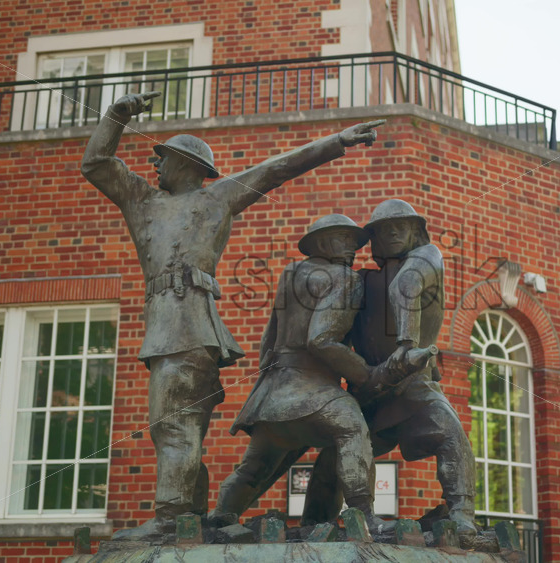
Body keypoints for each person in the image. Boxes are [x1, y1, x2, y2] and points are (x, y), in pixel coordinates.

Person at [81, 90, 383, 542]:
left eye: (163, 158)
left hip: (187, 326)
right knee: (180, 425)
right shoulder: (141, 199)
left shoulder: (217, 198)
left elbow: (277, 168)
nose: (154, 164)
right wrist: (116, 116)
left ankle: (172, 520)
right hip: (170, 326)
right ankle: (191, 517)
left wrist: (337, 141)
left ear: (189, 165)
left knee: (174, 424)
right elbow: (96, 164)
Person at [302, 199, 479, 534]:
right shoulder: (360, 281)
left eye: (402, 225)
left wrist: (406, 345)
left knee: (450, 433)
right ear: (374, 240)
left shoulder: (426, 257)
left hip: (413, 384)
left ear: (417, 231)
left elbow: (408, 285)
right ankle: (314, 522)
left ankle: (462, 515)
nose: (394, 231)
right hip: (372, 389)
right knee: (335, 457)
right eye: (384, 229)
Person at [208, 214, 392, 533]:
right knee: (351, 431)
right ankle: (365, 516)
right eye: (344, 239)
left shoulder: (290, 272)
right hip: (315, 388)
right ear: (321, 243)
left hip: (275, 391)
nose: (354, 247)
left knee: (255, 468)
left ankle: (218, 519)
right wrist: (366, 374)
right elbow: (321, 340)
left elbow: (268, 341)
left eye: (356, 242)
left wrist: (269, 382)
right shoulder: (347, 279)